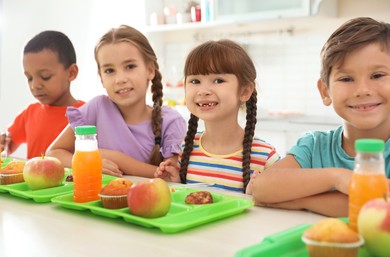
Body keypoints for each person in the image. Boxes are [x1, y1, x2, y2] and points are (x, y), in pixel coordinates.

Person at [247, 17, 390, 217]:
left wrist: (302, 200)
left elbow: (380, 207)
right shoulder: (314, 146)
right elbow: (261, 188)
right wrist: (337, 178)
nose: (362, 90)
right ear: (325, 91)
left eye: (377, 75)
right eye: (346, 79)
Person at [47, 25, 186, 178]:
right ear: (101, 78)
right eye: (109, 71)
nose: (120, 79)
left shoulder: (170, 122)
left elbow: (169, 176)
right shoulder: (96, 108)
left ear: (150, 70)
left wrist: (115, 158)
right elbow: (53, 153)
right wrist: (87, 162)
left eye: (130, 66)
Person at [154, 39, 280, 193]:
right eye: (195, 81)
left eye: (218, 80)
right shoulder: (186, 147)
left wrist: (258, 196)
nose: (203, 90)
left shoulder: (265, 157)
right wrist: (177, 183)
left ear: (245, 91)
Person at [0, 30, 84, 159]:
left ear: (71, 73)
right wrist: (3, 142)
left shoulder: (87, 113)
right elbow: (6, 146)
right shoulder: (30, 113)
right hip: (32, 179)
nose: (35, 85)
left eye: (45, 77)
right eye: (29, 78)